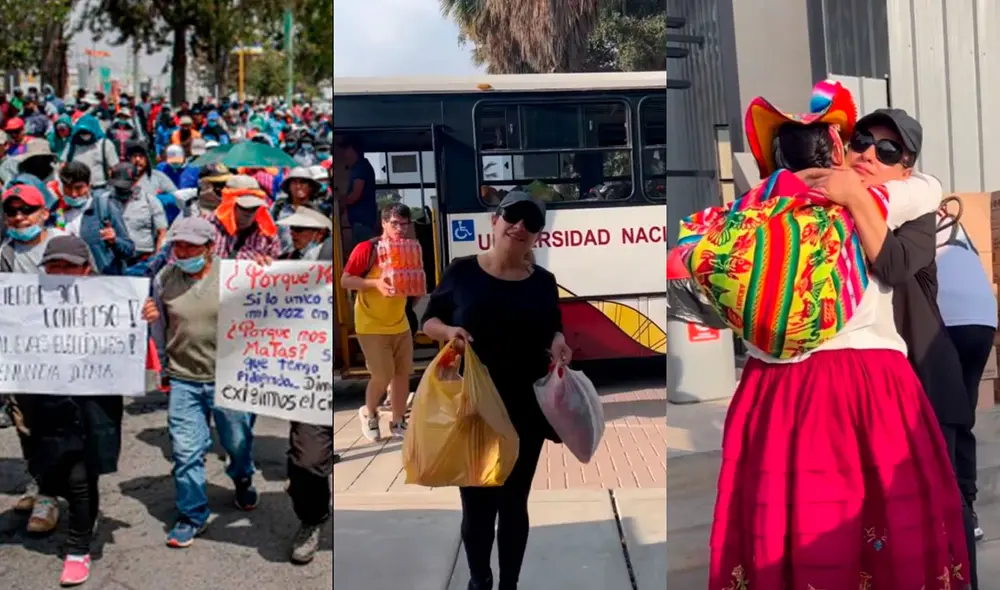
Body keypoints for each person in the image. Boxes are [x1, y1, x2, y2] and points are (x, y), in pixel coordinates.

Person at [706, 91, 970, 588]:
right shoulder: (887, 198)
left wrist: (823, 190)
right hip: (856, 382)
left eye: (888, 152)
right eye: (861, 142)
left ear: (906, 165)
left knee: (796, 517)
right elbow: (925, 189)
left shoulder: (756, 212)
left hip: (785, 386)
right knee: (868, 514)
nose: (869, 155)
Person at [421, 191, 570, 590]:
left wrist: (559, 342)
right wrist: (449, 331)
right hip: (473, 407)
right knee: (477, 505)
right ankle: (479, 579)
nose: (520, 226)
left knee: (514, 502)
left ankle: (509, 586)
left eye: (531, 222)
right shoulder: (462, 272)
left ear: (538, 236)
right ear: (495, 222)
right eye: (513, 217)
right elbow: (429, 321)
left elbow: (554, 327)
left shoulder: (543, 282)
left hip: (526, 408)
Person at [17, 235, 136, 586]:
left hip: (92, 404)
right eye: (54, 265)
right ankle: (79, 512)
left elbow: (132, 346)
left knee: (81, 478)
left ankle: (77, 547)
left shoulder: (112, 300)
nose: (61, 272)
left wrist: (141, 317)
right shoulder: (26, 299)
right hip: (46, 403)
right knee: (51, 472)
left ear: (87, 268)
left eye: (70, 265)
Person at [149, 216, 258, 548]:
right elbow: (160, 325)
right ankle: (191, 515)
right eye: (177, 245)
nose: (182, 252)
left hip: (229, 378)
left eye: (190, 246)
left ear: (210, 248)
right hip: (184, 381)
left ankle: (241, 478)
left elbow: (264, 312)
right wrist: (162, 362)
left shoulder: (234, 275)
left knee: (237, 443)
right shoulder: (165, 278)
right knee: (186, 451)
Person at [270, 206, 336, 563]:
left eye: (301, 229)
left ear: (320, 235)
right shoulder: (281, 266)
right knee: (307, 462)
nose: (293, 233)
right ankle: (312, 518)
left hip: (334, 373)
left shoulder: (337, 264)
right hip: (303, 377)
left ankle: (312, 514)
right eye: (292, 229)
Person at [936, 192, 999, 542]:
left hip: (948, 321)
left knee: (942, 418)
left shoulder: (908, 219)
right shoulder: (959, 232)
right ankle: (968, 510)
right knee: (962, 416)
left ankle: (952, 510)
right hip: (982, 322)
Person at [340, 203, 415, 440]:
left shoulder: (410, 250)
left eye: (404, 223)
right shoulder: (367, 248)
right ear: (384, 223)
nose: (400, 228)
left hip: (400, 322)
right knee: (382, 375)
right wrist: (375, 284)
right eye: (395, 223)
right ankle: (369, 413)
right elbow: (345, 280)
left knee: (403, 375)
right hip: (371, 324)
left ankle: (398, 421)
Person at [54, 161, 136, 276]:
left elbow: (129, 250)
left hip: (101, 283)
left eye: (78, 188)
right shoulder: (57, 211)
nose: (73, 194)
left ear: (89, 186)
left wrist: (114, 241)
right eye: (68, 188)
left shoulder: (104, 208)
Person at [107, 162, 169, 275]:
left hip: (143, 261)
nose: (121, 190)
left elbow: (162, 232)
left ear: (135, 182)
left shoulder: (150, 201)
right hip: (113, 260)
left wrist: (157, 259)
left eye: (124, 186)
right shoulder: (105, 201)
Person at [338, 134, 378, 245]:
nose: (344, 154)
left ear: (354, 150)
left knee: (363, 255)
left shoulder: (361, 167)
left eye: (346, 150)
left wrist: (340, 204)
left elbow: (356, 195)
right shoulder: (359, 167)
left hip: (363, 222)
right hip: (361, 222)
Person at [273, 166, 323, 254]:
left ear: (310, 187)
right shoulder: (278, 207)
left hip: (311, 260)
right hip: (282, 260)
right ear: (289, 187)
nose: (298, 186)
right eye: (294, 182)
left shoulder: (319, 210)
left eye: (303, 182)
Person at [61, 114, 120, 188]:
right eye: (82, 133)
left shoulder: (105, 144)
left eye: (87, 133)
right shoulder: (72, 144)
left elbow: (115, 168)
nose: (84, 135)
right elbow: (63, 165)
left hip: (100, 188)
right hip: (77, 190)